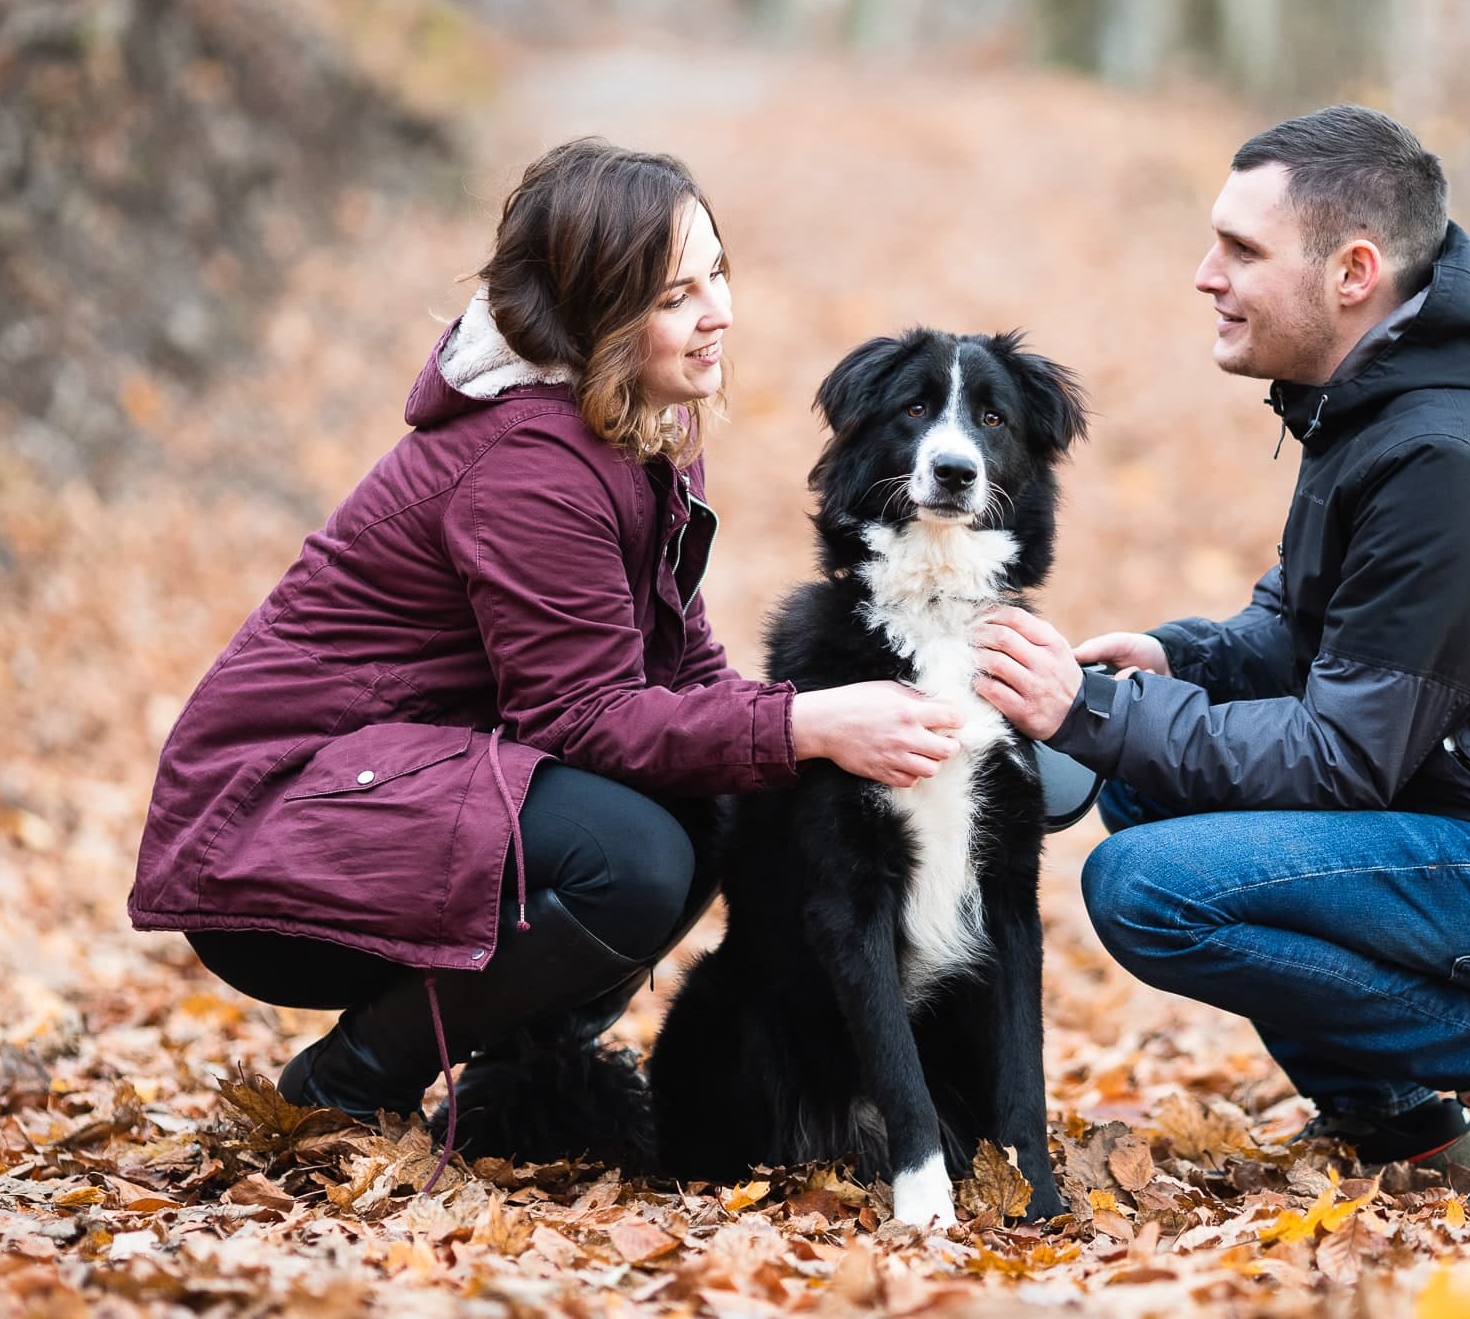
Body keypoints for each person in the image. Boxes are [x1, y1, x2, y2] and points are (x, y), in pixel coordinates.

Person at [129, 139, 965, 1151]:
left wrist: (815, 742)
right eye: (675, 295)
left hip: (399, 788)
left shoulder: (633, 424)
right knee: (633, 857)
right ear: (600, 317)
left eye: (718, 274)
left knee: (725, 792)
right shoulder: (530, 466)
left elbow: (678, 664)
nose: (719, 314)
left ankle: (527, 1084)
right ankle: (343, 1083)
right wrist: (805, 723)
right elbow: (586, 717)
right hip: (274, 828)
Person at [973, 105, 1470, 1206]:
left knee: (1142, 888)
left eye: (1239, 251)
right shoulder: (1373, 410)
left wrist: (1089, 717)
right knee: (1148, 795)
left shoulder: (1448, 459)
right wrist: (1182, 663)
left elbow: (1338, 758)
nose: (1203, 276)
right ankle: (1399, 1118)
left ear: (1352, 273)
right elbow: (1302, 631)